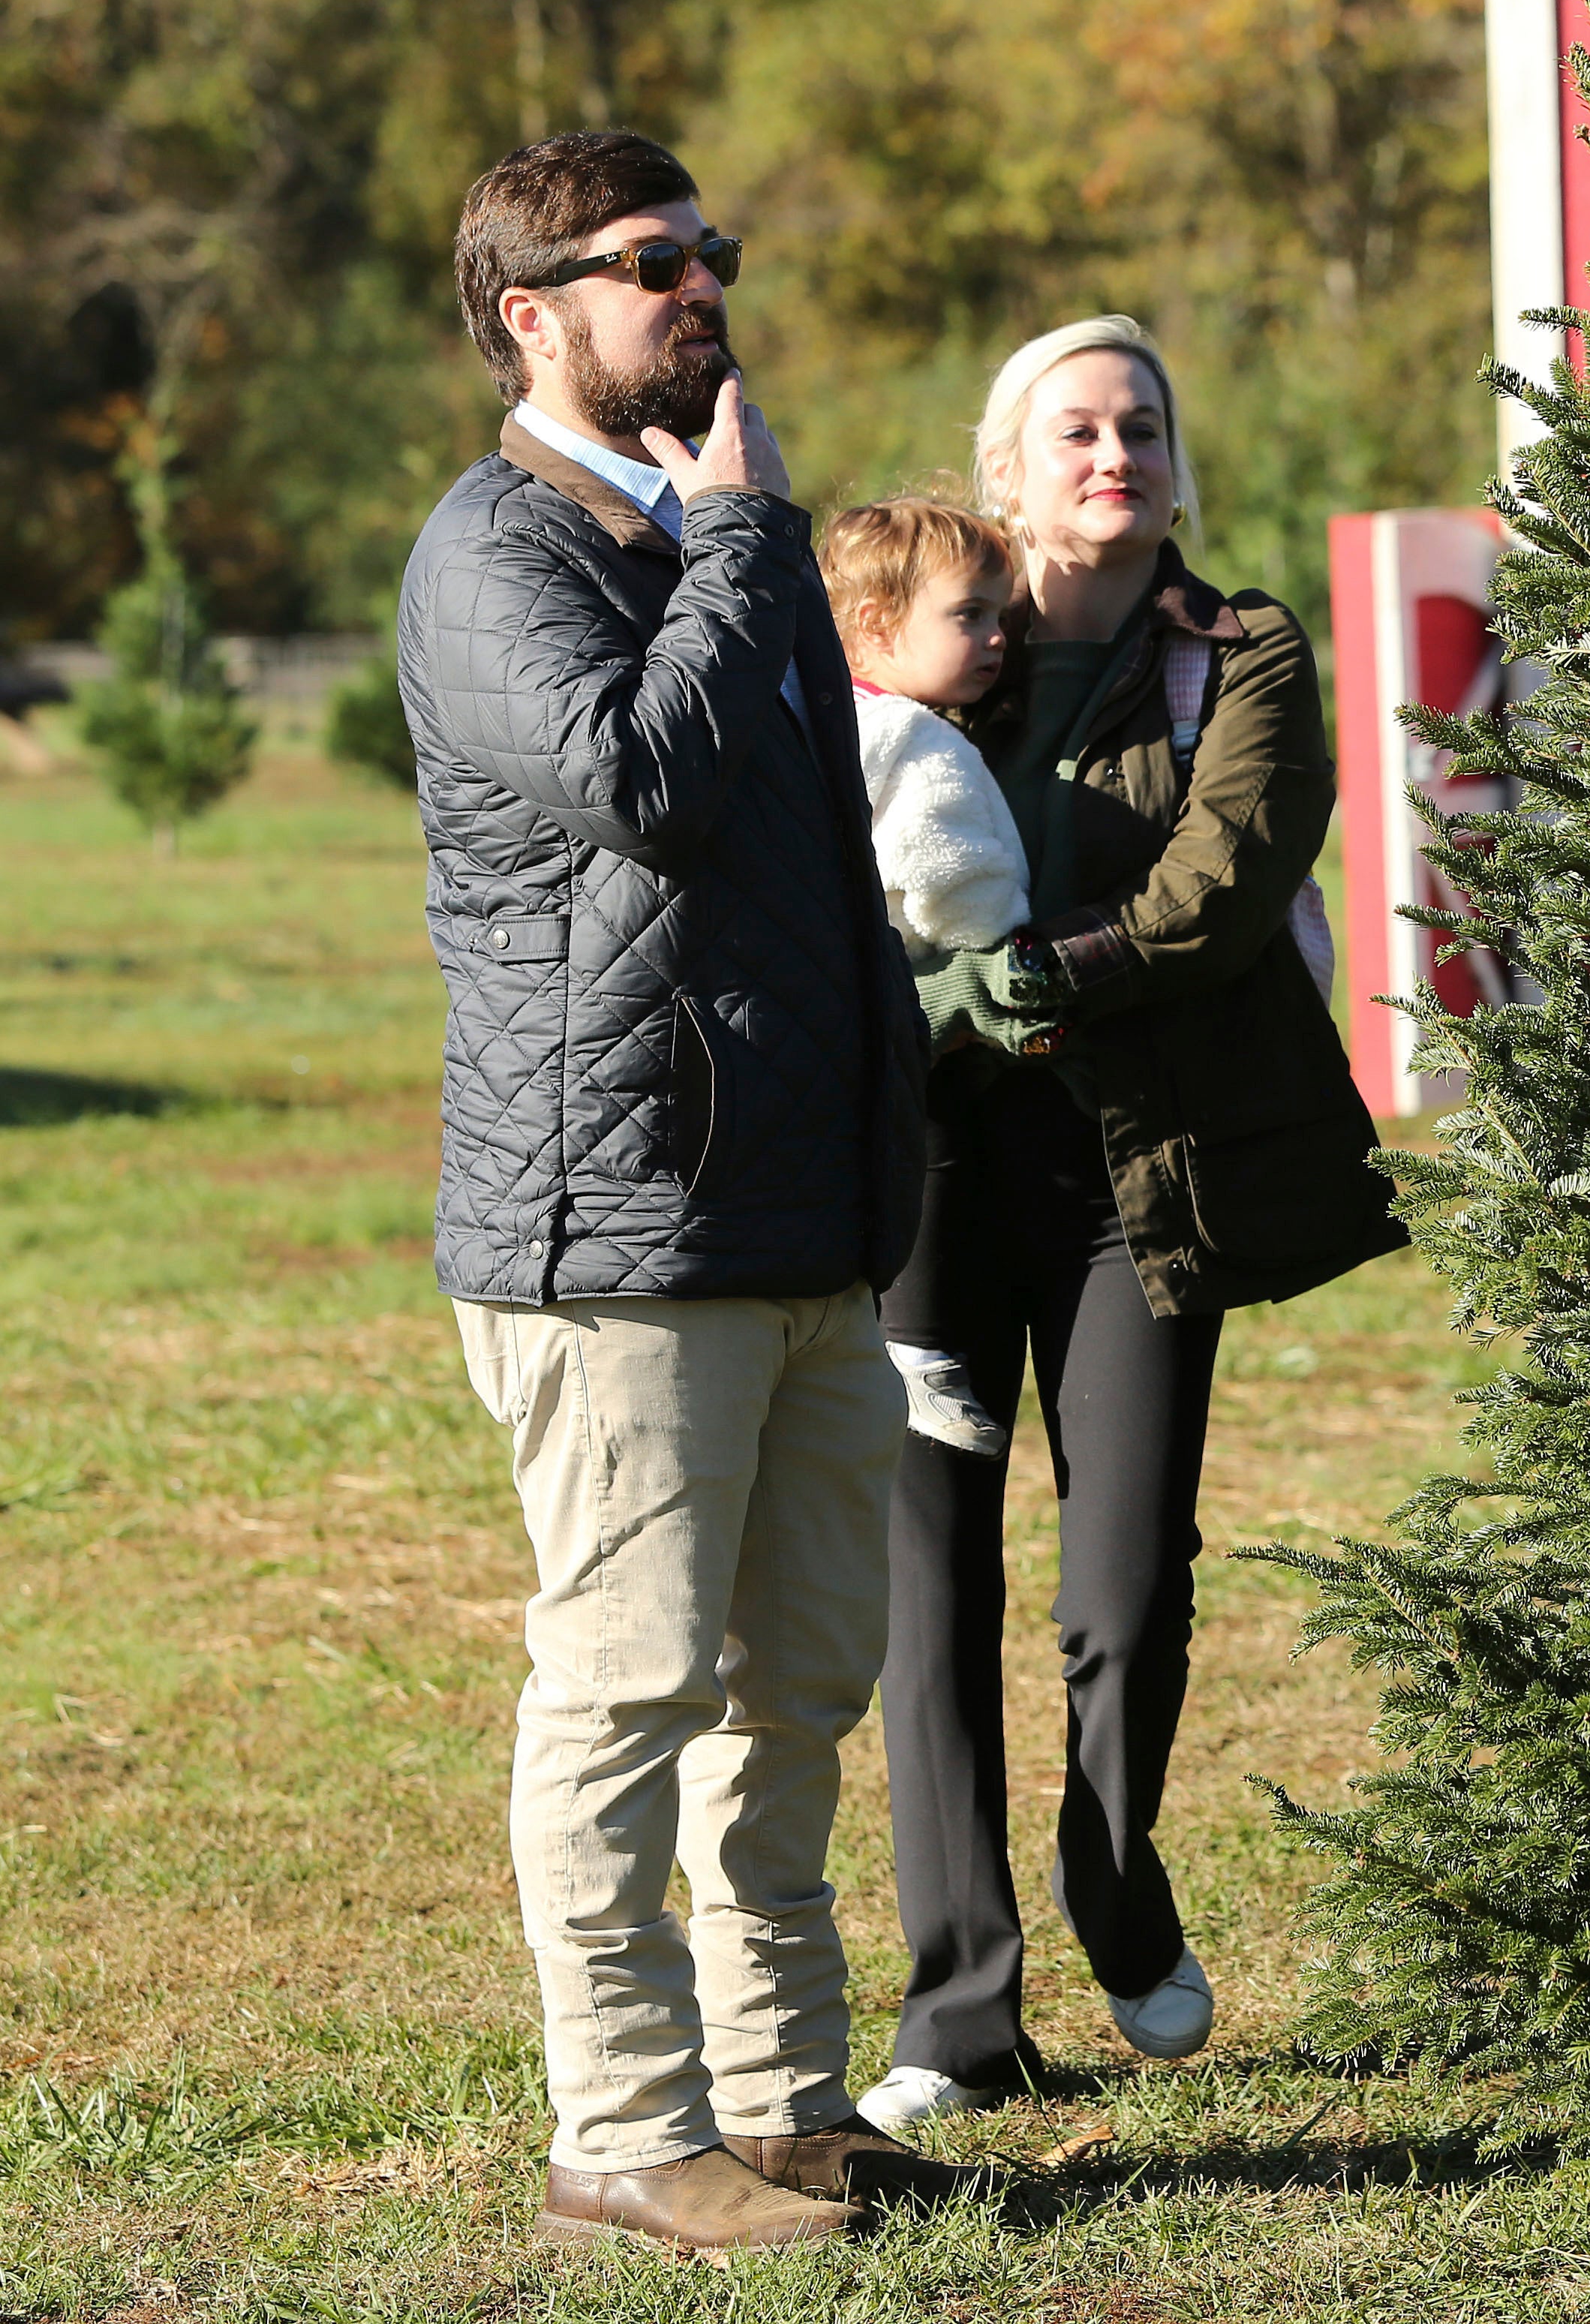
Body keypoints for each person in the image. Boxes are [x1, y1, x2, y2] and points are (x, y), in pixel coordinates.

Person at [395, 130, 956, 2255]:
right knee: (628, 1680)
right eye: (652, 261)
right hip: (615, 1224)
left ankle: (783, 2095)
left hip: (799, 1217)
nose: (702, 284)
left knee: (795, 1676)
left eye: (711, 249)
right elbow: (643, 780)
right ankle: (626, 2128)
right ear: (531, 314)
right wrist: (738, 543)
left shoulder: (727, 532)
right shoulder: (499, 556)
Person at [855, 315, 1404, 2136]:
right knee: (925, 1581)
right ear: (1006, 465)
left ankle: (1114, 1872)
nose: (1115, 454)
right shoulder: (932, 628)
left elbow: (1227, 879)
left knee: (1124, 1580)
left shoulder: (1232, 649)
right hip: (925, 1170)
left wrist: (1042, 972)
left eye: (1142, 427)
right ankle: (958, 2002)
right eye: (1076, 429)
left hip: (1133, 1176)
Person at [819, 495, 1044, 1457]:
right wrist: (1005, 944)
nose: (998, 638)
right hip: (920, 1029)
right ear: (877, 624)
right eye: (970, 615)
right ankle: (917, 1359)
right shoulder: (921, 742)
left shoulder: (818, 718)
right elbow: (960, 880)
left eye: (1001, 616)